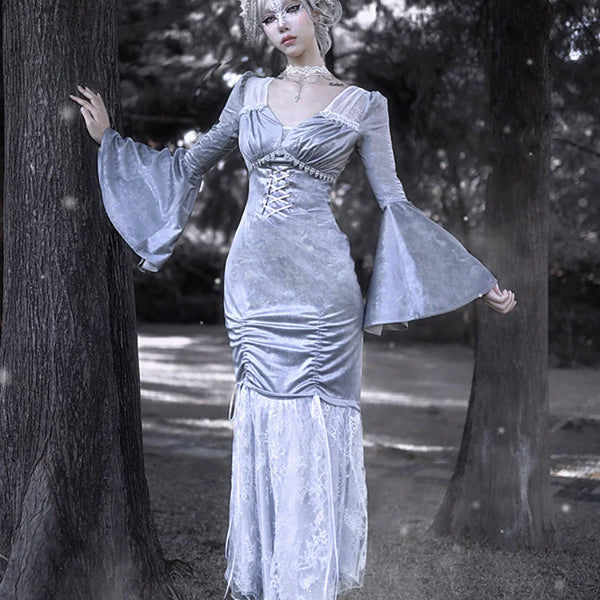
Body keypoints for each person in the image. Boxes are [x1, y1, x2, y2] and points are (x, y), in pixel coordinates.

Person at [70, 1, 516, 598]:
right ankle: (268, 577)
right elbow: (190, 164)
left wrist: (472, 278)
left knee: (315, 422)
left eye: (290, 8)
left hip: (323, 288)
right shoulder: (249, 92)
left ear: (319, 12)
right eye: (267, 16)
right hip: (253, 283)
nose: (279, 23)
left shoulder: (364, 105)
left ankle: (308, 581)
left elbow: (394, 201)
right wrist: (110, 141)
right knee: (265, 420)